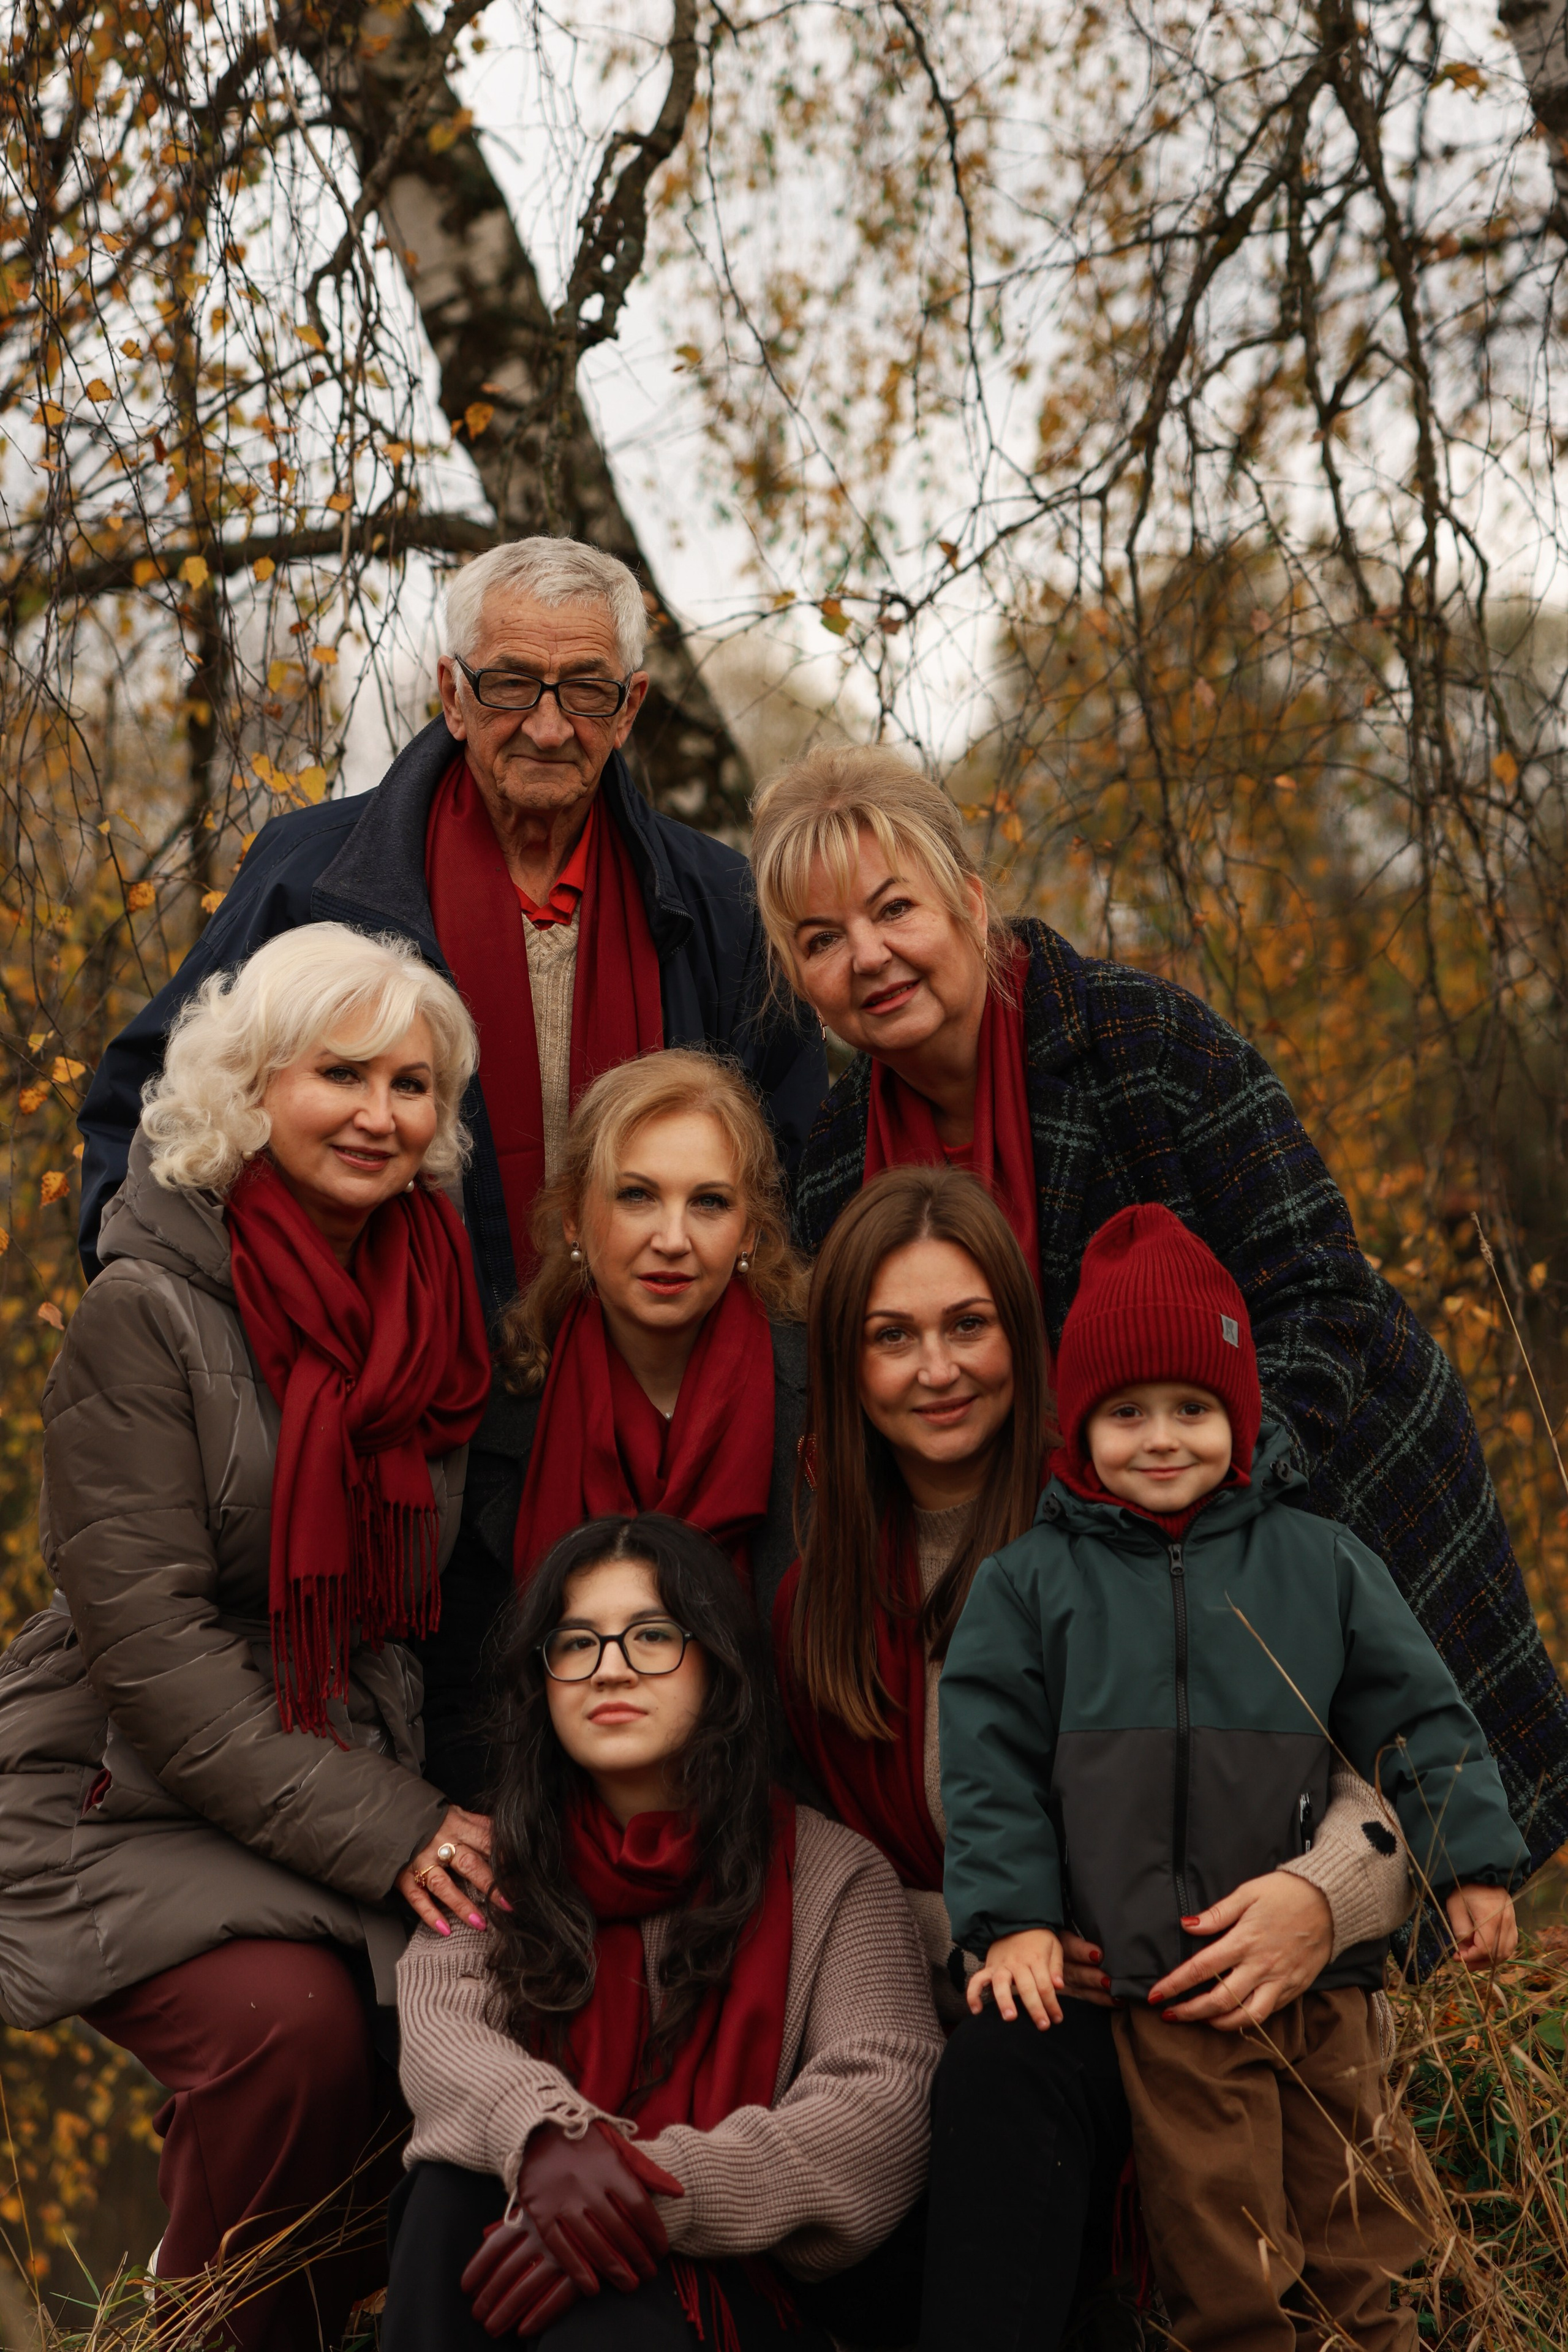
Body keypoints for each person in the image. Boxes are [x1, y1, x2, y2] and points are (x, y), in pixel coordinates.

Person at [748, 744, 1568, 1868]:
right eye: (822, 939)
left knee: (1408, 1859)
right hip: (1065, 1569)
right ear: (798, 976)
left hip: (1310, 1479)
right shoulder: (839, 1168)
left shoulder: (1141, 1045)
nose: (869, 957)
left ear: (973, 903)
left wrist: (1217, 1487)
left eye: (896, 909)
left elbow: (1319, 1286)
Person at [771, 1168, 1416, 2351]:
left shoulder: (1145, 1521)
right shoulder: (818, 1594)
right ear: (844, 1367)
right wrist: (978, 1928)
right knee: (967, 2082)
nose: (938, 1369)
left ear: (1026, 1344)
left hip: (1192, 1987)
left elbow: (1347, 1753)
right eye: (892, 1337)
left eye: (969, 1326)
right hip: (963, 1995)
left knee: (1010, 2076)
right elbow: (804, 1851)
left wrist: (1321, 1902)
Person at [0, 926, 496, 2351]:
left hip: (323, 1760)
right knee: (293, 2027)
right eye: (338, 1073)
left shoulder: (431, 1301)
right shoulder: (142, 1308)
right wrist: (398, 1824)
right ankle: (201, 2323)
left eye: (412, 1084)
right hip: (117, 1783)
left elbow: (402, 1614)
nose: (379, 1113)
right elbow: (150, 1645)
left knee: (469, 2008)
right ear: (250, 1083)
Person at [940, 1202, 1527, 2352]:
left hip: (1330, 1990)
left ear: (1241, 1417)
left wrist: (1473, 1864)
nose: (1163, 1439)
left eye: (1194, 1409)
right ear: (1080, 1426)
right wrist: (1013, 1921)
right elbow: (989, 1766)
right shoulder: (1031, 1585)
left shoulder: (1320, 1562)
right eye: (1128, 1413)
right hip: (1173, 1992)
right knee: (1225, 2247)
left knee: (1365, 2226)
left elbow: (1417, 1717)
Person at [79, 538, 827, 1324]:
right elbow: (152, 1103)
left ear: (630, 707)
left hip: (657, 1389)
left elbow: (791, 1164)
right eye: (509, 685)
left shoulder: (719, 902)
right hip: (387, 1383)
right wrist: (165, 1317)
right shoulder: (314, 878)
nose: (547, 727)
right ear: (453, 695)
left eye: (585, 691)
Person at [386, 1512, 942, 2352]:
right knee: (448, 2188)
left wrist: (637, 2193)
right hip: (508, 2236)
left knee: (600, 2321)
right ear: (543, 1683)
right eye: (576, 1645)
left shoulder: (833, 1875)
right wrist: (544, 2139)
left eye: (651, 1636)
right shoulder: (498, 1863)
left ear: (717, 1666)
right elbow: (441, 2035)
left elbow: (878, 2110)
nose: (610, 1671)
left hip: (741, 2292)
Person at [421, 1049, 807, 1809]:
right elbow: (456, 1691)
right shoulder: (493, 1413)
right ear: (573, 1217)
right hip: (547, 1825)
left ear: (751, 1235)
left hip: (784, 1819)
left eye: (709, 1203)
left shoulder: (827, 1398)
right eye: (636, 1196)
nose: (672, 1237)